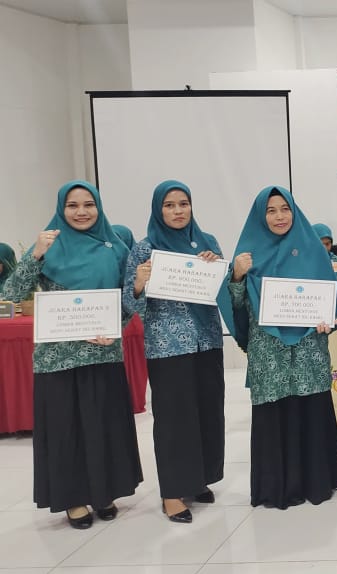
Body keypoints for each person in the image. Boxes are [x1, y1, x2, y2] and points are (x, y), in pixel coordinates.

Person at [2, 180, 142, 529]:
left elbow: (127, 301)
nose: (81, 212)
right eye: (73, 205)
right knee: (66, 429)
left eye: (88, 204)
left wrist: (114, 327)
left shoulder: (115, 247)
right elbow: (12, 294)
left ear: (98, 207)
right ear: (61, 209)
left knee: (103, 425)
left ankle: (104, 492)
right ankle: (74, 498)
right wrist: (35, 254)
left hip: (103, 352)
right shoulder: (48, 246)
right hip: (57, 358)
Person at [217, 185, 337, 509]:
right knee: (274, 413)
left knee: (310, 409)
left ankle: (317, 482)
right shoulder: (246, 256)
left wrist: (328, 318)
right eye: (271, 211)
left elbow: (330, 295)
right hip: (269, 350)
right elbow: (235, 305)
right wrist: (237, 276)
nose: (279, 216)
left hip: (308, 347)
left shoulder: (312, 249)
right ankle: (278, 487)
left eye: (285, 209)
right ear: (260, 216)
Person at [123, 180, 226, 523]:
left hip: (207, 340)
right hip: (167, 346)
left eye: (184, 203)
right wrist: (139, 282)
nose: (178, 211)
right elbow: (129, 304)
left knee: (207, 412)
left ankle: (198, 480)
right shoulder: (144, 248)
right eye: (169, 205)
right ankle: (172, 493)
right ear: (158, 209)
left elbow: (224, 289)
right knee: (173, 419)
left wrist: (216, 266)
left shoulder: (208, 241)